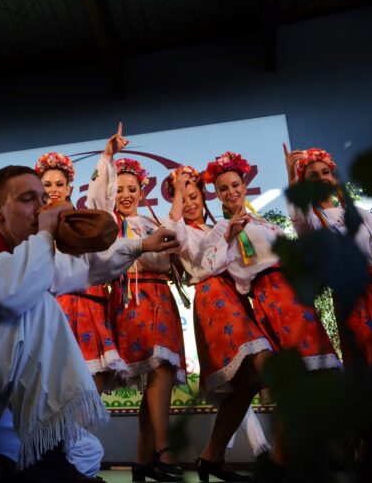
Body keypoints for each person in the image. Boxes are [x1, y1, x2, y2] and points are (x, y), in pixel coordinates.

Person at [0, 165, 180, 482]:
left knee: (86, 452)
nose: (41, 208)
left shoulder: (31, 259)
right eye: (27, 199)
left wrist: (141, 245)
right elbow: (16, 290)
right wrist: (47, 234)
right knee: (38, 301)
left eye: (43, 198)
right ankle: (41, 461)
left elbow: (86, 266)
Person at [203, 151, 343, 469]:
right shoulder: (220, 229)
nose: (231, 192)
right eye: (223, 188)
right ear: (217, 194)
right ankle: (284, 462)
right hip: (270, 297)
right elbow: (208, 266)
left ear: (244, 185)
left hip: (294, 295)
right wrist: (228, 237)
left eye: (235, 184)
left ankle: (295, 458)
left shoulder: (262, 220)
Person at [285, 147, 372, 400]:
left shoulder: (357, 214)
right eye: (312, 176)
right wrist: (293, 184)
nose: (321, 178)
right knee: (370, 374)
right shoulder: (314, 221)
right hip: (350, 300)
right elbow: (301, 222)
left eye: (325, 172)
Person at [87, 124, 185, 482]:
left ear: (143, 191)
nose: (125, 195)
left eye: (133, 189)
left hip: (162, 297)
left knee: (161, 377)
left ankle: (143, 459)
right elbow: (98, 196)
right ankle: (162, 451)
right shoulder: (109, 223)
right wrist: (109, 156)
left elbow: (176, 239)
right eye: (121, 189)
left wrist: (180, 196)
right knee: (159, 372)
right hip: (132, 298)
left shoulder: (150, 221)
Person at [166, 165, 272, 481]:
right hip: (214, 299)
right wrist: (178, 190)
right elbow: (176, 231)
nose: (189, 204)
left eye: (194, 196)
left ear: (204, 197)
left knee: (247, 384)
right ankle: (290, 457)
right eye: (182, 199)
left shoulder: (220, 225)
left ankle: (211, 457)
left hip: (234, 298)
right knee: (265, 363)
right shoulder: (181, 231)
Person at [35, 152, 127, 392]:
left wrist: (107, 157)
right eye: (47, 184)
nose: (54, 189)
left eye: (59, 184)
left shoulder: (82, 220)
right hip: (57, 308)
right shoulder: (32, 227)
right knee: (57, 383)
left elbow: (100, 200)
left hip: (91, 307)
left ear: (69, 188)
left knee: (91, 386)